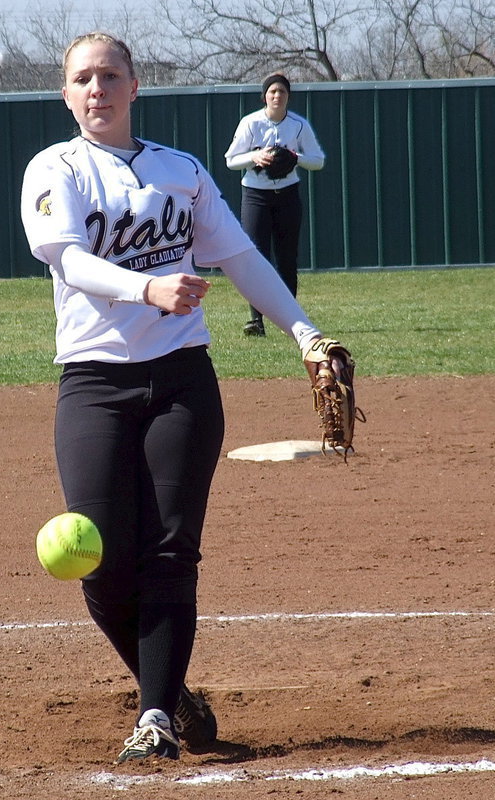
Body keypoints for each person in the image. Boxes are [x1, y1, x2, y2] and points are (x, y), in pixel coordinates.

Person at [20, 32, 340, 764]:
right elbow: (68, 259)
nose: (96, 88)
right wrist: (148, 287)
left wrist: (306, 334)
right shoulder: (56, 168)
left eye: (109, 75)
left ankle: (156, 714)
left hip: (182, 380)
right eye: (81, 78)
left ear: (135, 87)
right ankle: (170, 689)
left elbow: (238, 256)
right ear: (65, 94)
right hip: (95, 383)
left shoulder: (183, 171)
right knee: (98, 556)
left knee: (170, 552)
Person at [225, 73, 325, 337]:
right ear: (265, 96)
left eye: (281, 92)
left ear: (288, 96)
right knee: (256, 256)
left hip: (288, 194)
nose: (277, 96)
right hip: (256, 195)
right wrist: (254, 155)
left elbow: (318, 161)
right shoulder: (251, 123)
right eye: (272, 92)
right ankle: (256, 319)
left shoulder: (298, 125)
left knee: (287, 257)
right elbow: (230, 160)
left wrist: (295, 157)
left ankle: (288, 320)